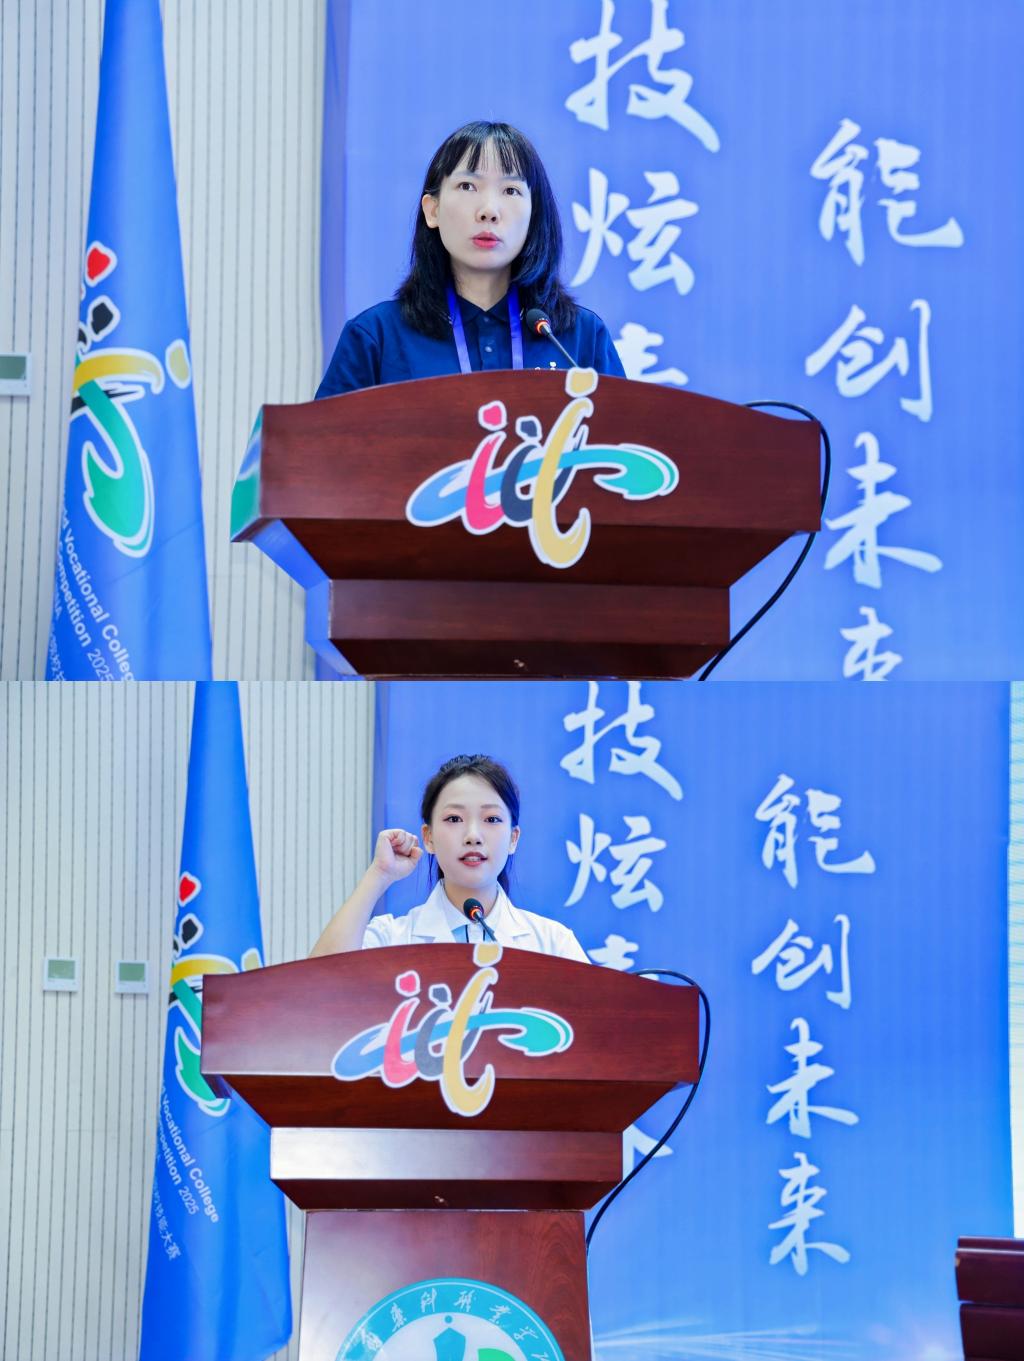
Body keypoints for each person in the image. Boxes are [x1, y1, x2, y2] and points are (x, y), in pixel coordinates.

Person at [316, 120, 626, 396]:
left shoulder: (580, 339)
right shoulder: (377, 337)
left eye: (511, 190)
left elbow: (627, 440)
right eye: (468, 186)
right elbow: (325, 441)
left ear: (534, 216)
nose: (489, 210)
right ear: (433, 210)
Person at [310, 754, 589, 961]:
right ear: (428, 837)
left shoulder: (552, 943)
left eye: (491, 819)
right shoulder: (393, 939)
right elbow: (320, 984)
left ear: (513, 838)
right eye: (454, 818)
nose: (473, 835)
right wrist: (379, 875)